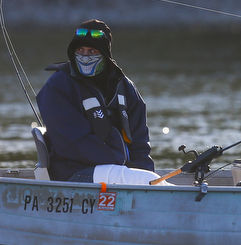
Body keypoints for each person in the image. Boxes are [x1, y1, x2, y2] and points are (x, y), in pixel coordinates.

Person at [36, 19, 163, 185]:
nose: (85, 56)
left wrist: (143, 170)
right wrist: (121, 163)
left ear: (105, 54)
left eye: (92, 51)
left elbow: (139, 140)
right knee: (144, 179)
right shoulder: (58, 86)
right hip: (73, 173)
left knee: (149, 178)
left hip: (119, 169)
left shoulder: (125, 86)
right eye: (80, 50)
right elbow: (72, 142)